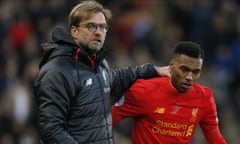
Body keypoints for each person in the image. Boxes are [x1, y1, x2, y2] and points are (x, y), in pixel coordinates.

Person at [34, 1, 169, 144]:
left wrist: (152, 70)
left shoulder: (98, 63)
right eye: (91, 26)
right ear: (74, 31)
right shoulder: (57, 70)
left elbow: (116, 78)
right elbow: (51, 130)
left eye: (102, 27)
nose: (98, 32)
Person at [112, 41, 227, 144]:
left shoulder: (204, 97)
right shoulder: (144, 90)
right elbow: (106, 120)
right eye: (184, 70)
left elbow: (215, 138)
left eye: (196, 72)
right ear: (171, 66)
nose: (190, 77)